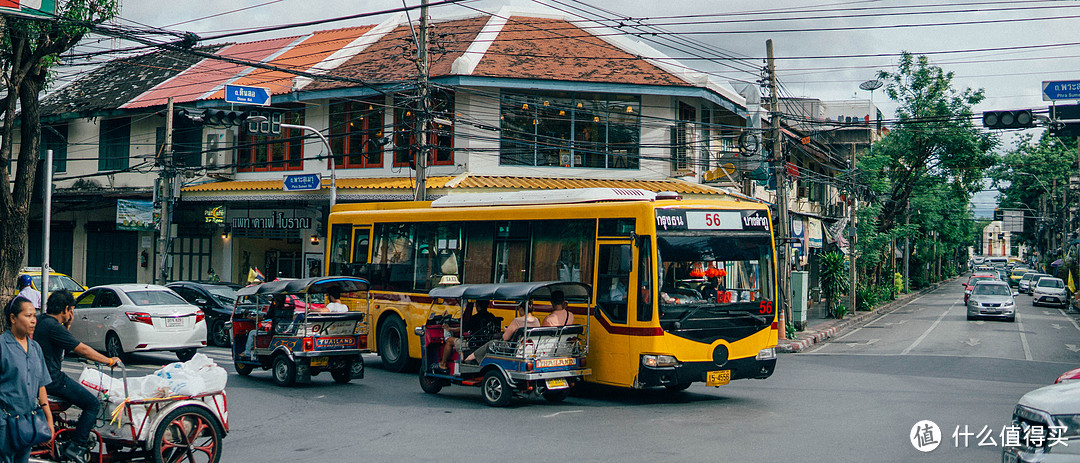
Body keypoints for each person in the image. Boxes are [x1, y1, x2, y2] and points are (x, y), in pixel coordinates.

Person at [35, 290, 120, 463]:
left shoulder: (42, 320)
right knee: (92, 404)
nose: (72, 314)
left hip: (41, 377)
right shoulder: (53, 326)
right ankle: (77, 447)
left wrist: (67, 327)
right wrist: (109, 360)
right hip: (52, 379)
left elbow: (60, 346)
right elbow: (82, 349)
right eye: (72, 310)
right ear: (66, 309)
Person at [0, 297, 54, 463]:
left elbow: (41, 386)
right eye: (28, 316)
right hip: (4, 422)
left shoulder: (35, 348)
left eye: (34, 316)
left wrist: (49, 420)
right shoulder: (2, 345)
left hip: (27, 422)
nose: (33, 321)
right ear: (13, 318)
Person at [464, 303, 539, 364]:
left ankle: (471, 358)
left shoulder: (517, 321)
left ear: (521, 309)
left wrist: (506, 330)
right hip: (528, 347)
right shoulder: (536, 321)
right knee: (495, 336)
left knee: (491, 344)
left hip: (513, 347)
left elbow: (505, 337)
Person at [438, 300, 497, 370]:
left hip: (473, 345)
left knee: (450, 340)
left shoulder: (475, 318)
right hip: (485, 344)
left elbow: (462, 329)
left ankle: (443, 363)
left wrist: (449, 328)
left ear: (477, 305)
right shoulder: (491, 317)